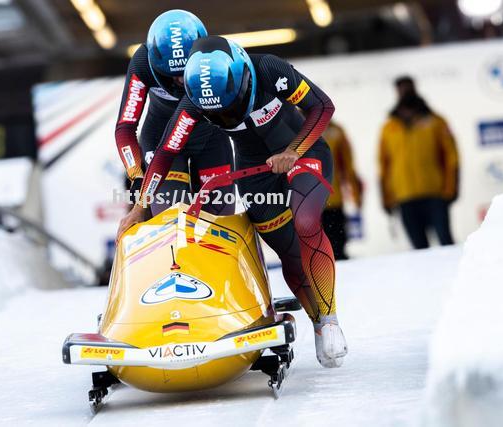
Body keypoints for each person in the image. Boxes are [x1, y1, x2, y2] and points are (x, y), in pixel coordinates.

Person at [119, 36, 347, 368]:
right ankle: (316, 319)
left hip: (303, 152)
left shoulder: (270, 70)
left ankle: (330, 319)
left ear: (241, 81)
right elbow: (165, 154)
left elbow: (322, 107)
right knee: (287, 249)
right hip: (256, 170)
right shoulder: (193, 105)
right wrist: (139, 206)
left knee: (306, 222)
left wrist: (293, 151)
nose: (225, 115)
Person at [114, 9, 234, 216]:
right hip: (161, 139)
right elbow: (125, 127)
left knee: (218, 219)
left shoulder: (217, 61)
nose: (180, 80)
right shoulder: (142, 63)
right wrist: (136, 174)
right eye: (172, 75)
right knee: (169, 216)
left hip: (209, 139)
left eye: (186, 71)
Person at [379, 78, 459, 249]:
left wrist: (451, 188)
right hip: (405, 197)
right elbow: (384, 165)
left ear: (415, 89)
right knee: (419, 250)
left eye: (408, 88)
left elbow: (451, 157)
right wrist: (386, 197)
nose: (406, 92)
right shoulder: (389, 127)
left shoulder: (436, 121)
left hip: (435, 194)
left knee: (446, 243)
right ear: (396, 92)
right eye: (402, 89)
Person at [322, 122, 363, 260]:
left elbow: (347, 165)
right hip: (304, 201)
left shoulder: (336, 131)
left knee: (337, 242)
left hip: (333, 198)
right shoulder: (292, 127)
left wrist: (357, 195)